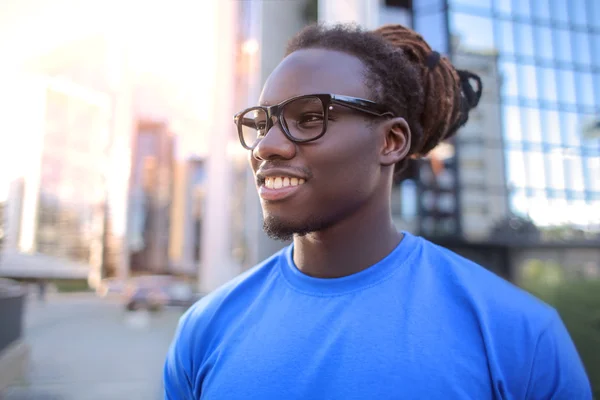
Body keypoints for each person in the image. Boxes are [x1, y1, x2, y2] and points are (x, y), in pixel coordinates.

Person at [164, 23, 591, 399]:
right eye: (260, 125)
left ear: (391, 142)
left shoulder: (518, 335)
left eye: (310, 117)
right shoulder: (204, 330)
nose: (266, 146)